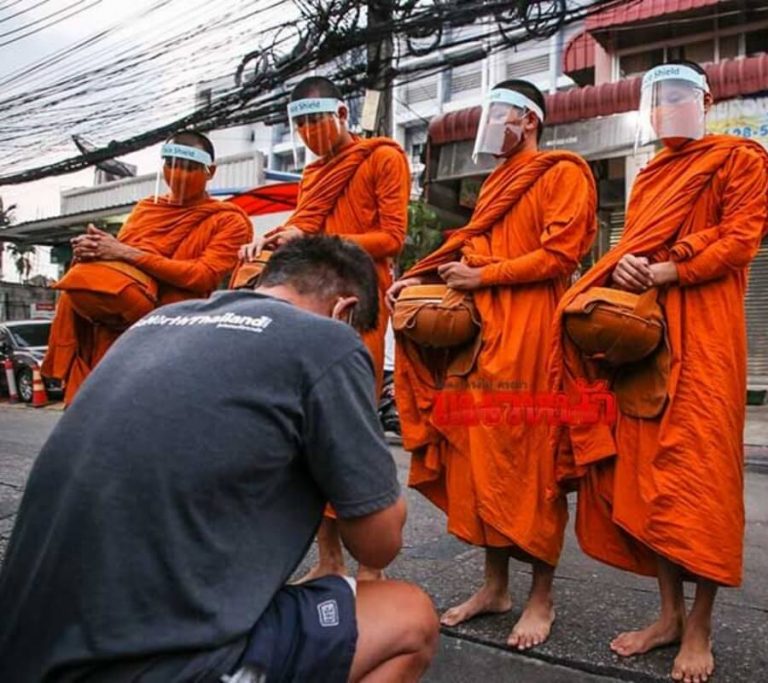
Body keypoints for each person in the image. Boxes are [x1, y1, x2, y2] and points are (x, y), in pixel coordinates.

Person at [0, 236, 439, 683]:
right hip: (149, 664)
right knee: (410, 616)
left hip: (24, 649)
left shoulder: (155, 323)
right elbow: (377, 545)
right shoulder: (327, 339)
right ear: (344, 311)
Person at [549, 62, 768, 683]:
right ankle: (668, 615)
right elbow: (635, 249)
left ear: (706, 99)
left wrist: (667, 270)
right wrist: (626, 267)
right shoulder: (650, 175)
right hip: (646, 340)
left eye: (680, 94)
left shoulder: (740, 158)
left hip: (707, 339)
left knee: (701, 485)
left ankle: (700, 627)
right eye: (659, 96)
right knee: (651, 483)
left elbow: (740, 240)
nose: (668, 105)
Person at [388, 79, 597, 650]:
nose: (489, 126)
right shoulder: (495, 182)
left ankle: (540, 597)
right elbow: (472, 245)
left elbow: (561, 254)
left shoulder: (562, 172)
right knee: (481, 462)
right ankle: (495, 586)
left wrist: (484, 276)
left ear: (528, 119)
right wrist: (420, 278)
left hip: (535, 333)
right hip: (483, 334)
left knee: (534, 463)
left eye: (498, 114)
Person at [240, 76, 410, 583]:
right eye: (300, 124)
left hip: (359, 305)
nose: (310, 132)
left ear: (341, 111)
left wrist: (315, 236)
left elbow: (391, 237)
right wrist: (266, 243)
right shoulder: (314, 174)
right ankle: (330, 557)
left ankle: (371, 566)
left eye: (317, 119)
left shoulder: (382, 157)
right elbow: (303, 229)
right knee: (310, 433)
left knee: (355, 432)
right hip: (309, 308)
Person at [43, 130, 253, 405]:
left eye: (189, 167)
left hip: (173, 336)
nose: (177, 174)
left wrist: (125, 252)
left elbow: (201, 276)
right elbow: (121, 268)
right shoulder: (145, 210)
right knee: (96, 421)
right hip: (112, 334)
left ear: (210, 172)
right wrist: (93, 251)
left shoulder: (229, 221)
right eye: (171, 165)